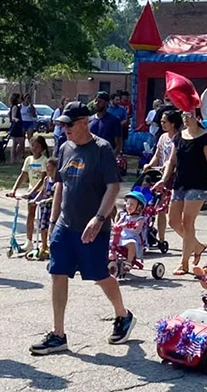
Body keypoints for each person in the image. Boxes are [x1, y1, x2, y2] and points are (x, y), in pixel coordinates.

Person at [30, 102, 136, 355]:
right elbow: (60, 186)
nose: (64, 128)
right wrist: (54, 221)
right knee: (58, 273)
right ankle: (58, 334)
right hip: (65, 225)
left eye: (69, 124)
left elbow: (112, 186)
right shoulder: (65, 147)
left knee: (99, 275)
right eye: (62, 124)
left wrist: (99, 218)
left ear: (83, 123)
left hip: (93, 228)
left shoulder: (101, 149)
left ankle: (123, 315)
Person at [154, 110, 207, 275]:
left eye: (189, 115)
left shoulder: (204, 136)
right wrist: (163, 180)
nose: (185, 119)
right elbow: (172, 161)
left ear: (197, 118)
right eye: (184, 116)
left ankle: (184, 263)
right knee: (173, 221)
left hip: (198, 184)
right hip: (179, 183)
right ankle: (196, 246)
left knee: (187, 222)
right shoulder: (179, 136)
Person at [143, 110, 182, 244]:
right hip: (160, 174)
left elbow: (174, 160)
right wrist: (149, 164)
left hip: (173, 176)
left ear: (173, 123)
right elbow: (157, 155)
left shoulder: (179, 138)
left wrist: (168, 167)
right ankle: (155, 235)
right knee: (153, 206)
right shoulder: (162, 137)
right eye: (161, 122)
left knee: (162, 208)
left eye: (165, 122)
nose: (162, 124)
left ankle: (162, 238)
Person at [6, 134, 48, 252]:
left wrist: (32, 192)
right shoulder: (28, 160)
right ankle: (29, 241)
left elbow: (42, 179)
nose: (35, 148)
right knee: (30, 216)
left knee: (42, 218)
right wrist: (14, 189)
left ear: (42, 148)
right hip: (31, 191)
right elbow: (23, 175)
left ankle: (43, 243)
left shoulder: (44, 160)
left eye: (37, 146)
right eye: (33, 146)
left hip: (42, 192)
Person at [112, 191, 148, 271]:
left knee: (132, 243)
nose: (129, 206)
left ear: (139, 207)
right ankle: (108, 258)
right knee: (109, 243)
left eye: (132, 204)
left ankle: (129, 262)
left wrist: (129, 225)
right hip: (121, 238)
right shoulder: (124, 216)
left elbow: (137, 228)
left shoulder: (140, 219)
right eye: (128, 204)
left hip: (134, 240)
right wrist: (115, 225)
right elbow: (118, 223)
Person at [89, 91, 123, 156]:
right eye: (95, 101)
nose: (96, 103)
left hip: (106, 157)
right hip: (91, 158)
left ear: (106, 103)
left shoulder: (114, 121)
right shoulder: (89, 120)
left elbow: (118, 145)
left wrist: (111, 159)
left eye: (100, 101)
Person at [8, 93, 25, 162]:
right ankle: (14, 157)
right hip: (16, 126)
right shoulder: (15, 107)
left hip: (18, 126)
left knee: (16, 143)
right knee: (19, 142)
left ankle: (14, 158)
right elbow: (13, 117)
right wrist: (16, 119)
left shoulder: (18, 107)